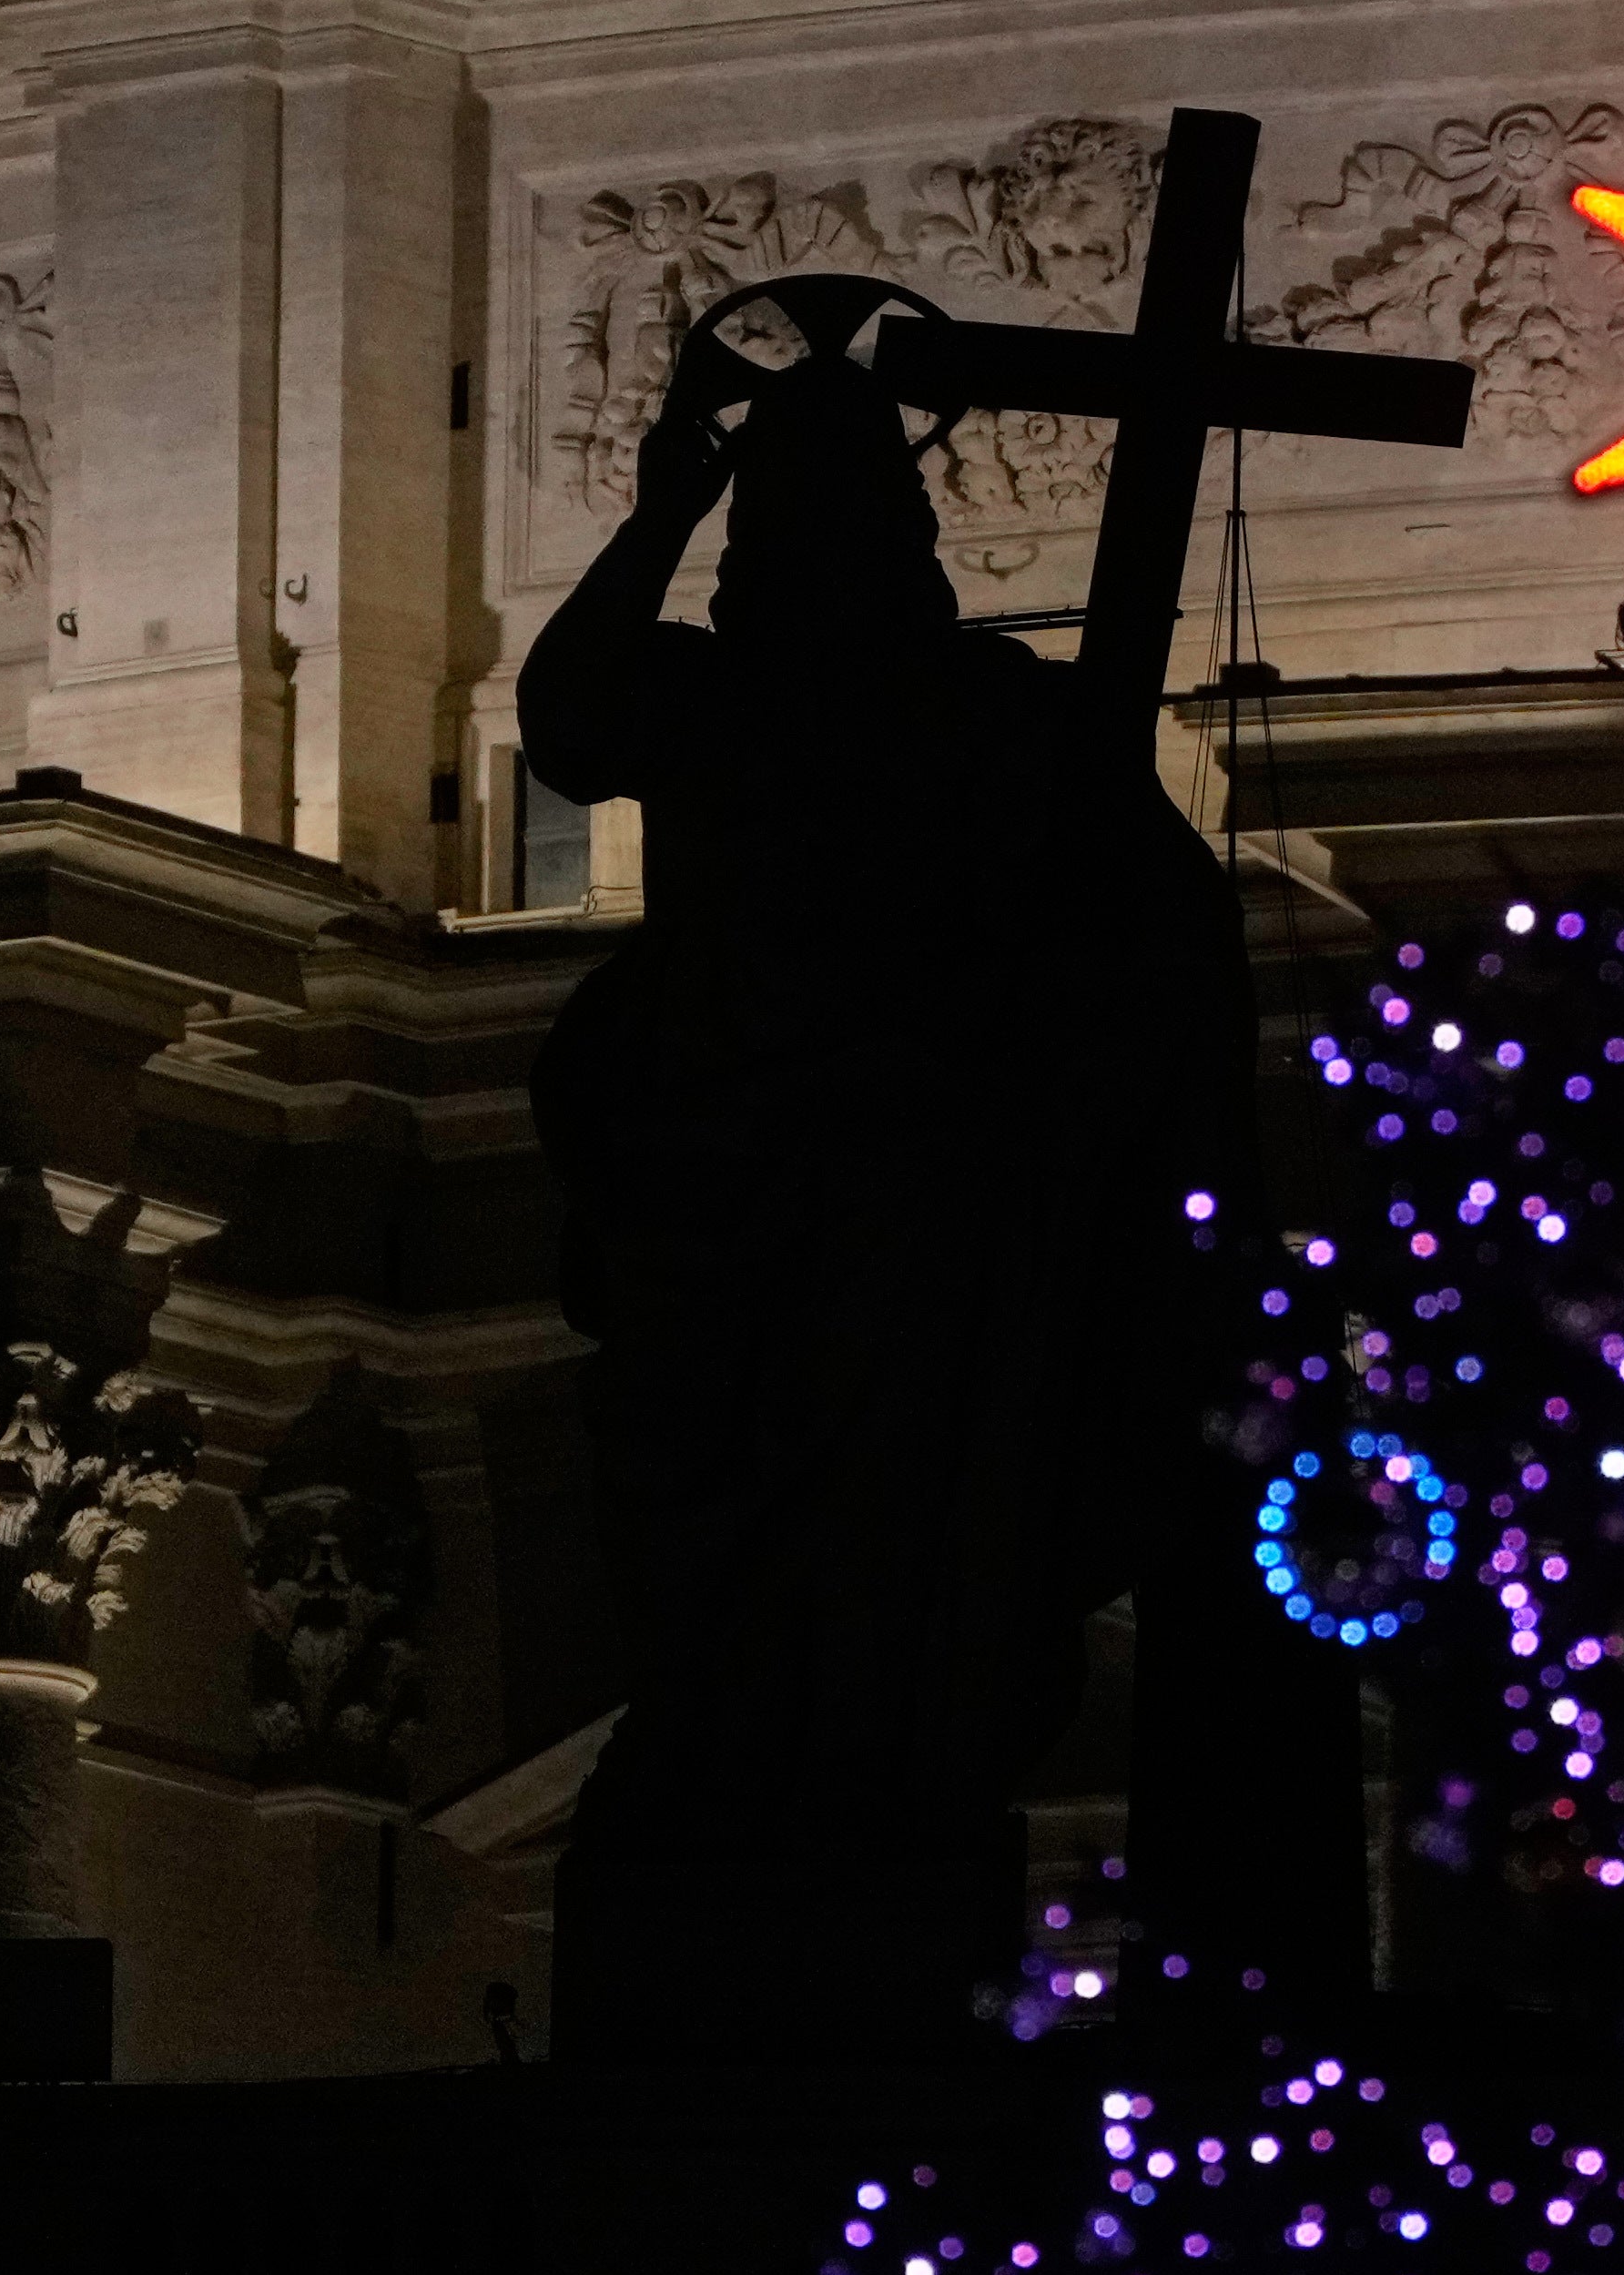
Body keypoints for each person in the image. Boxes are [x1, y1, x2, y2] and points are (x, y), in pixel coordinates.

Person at [521, 285, 1254, 2060]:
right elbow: (567, 716)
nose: (804, 539)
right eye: (778, 512)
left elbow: (1166, 929)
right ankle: (756, 1750)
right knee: (728, 1535)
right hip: (730, 1192)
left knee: (882, 1527)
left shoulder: (989, 714)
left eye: (827, 508)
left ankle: (831, 1767)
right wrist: (666, 498)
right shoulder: (740, 694)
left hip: (887, 1195)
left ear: (906, 538)